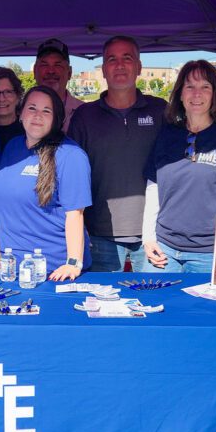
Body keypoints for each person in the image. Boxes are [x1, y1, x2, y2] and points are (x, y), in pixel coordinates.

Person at [142, 60, 216, 273]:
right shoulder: (167, 134)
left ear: (215, 94)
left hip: (212, 252)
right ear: (180, 93)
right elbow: (153, 189)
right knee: (151, 294)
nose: (197, 94)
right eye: (190, 86)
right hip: (164, 248)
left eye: (205, 87)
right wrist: (148, 238)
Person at [68, 35, 167, 272]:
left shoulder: (161, 110)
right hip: (99, 235)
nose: (120, 65)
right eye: (112, 59)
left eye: (127, 58)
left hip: (155, 234)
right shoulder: (84, 116)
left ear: (139, 67)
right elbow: (71, 177)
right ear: (103, 70)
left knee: (157, 296)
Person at [0, 85, 92, 278]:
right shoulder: (13, 147)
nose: (38, 116)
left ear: (56, 119)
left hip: (52, 270)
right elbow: (2, 202)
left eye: (46, 111)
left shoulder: (71, 155)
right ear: (21, 113)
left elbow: (75, 214)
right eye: (32, 108)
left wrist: (73, 263)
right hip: (8, 267)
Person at [34, 38, 82, 131]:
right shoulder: (20, 112)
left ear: (69, 72)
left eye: (58, 65)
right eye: (44, 65)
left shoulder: (86, 112)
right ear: (34, 71)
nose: (51, 71)